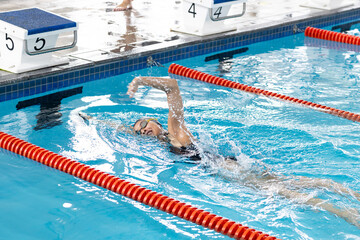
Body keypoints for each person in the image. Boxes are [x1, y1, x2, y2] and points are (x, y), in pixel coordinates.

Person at [80, 76, 360, 228]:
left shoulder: (176, 134)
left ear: (154, 119)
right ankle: (353, 196)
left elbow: (173, 87)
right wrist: (94, 120)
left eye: (143, 125)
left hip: (230, 170)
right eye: (139, 132)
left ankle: (347, 214)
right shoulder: (166, 139)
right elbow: (128, 129)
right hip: (231, 162)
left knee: (287, 193)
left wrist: (141, 80)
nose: (142, 131)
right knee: (297, 181)